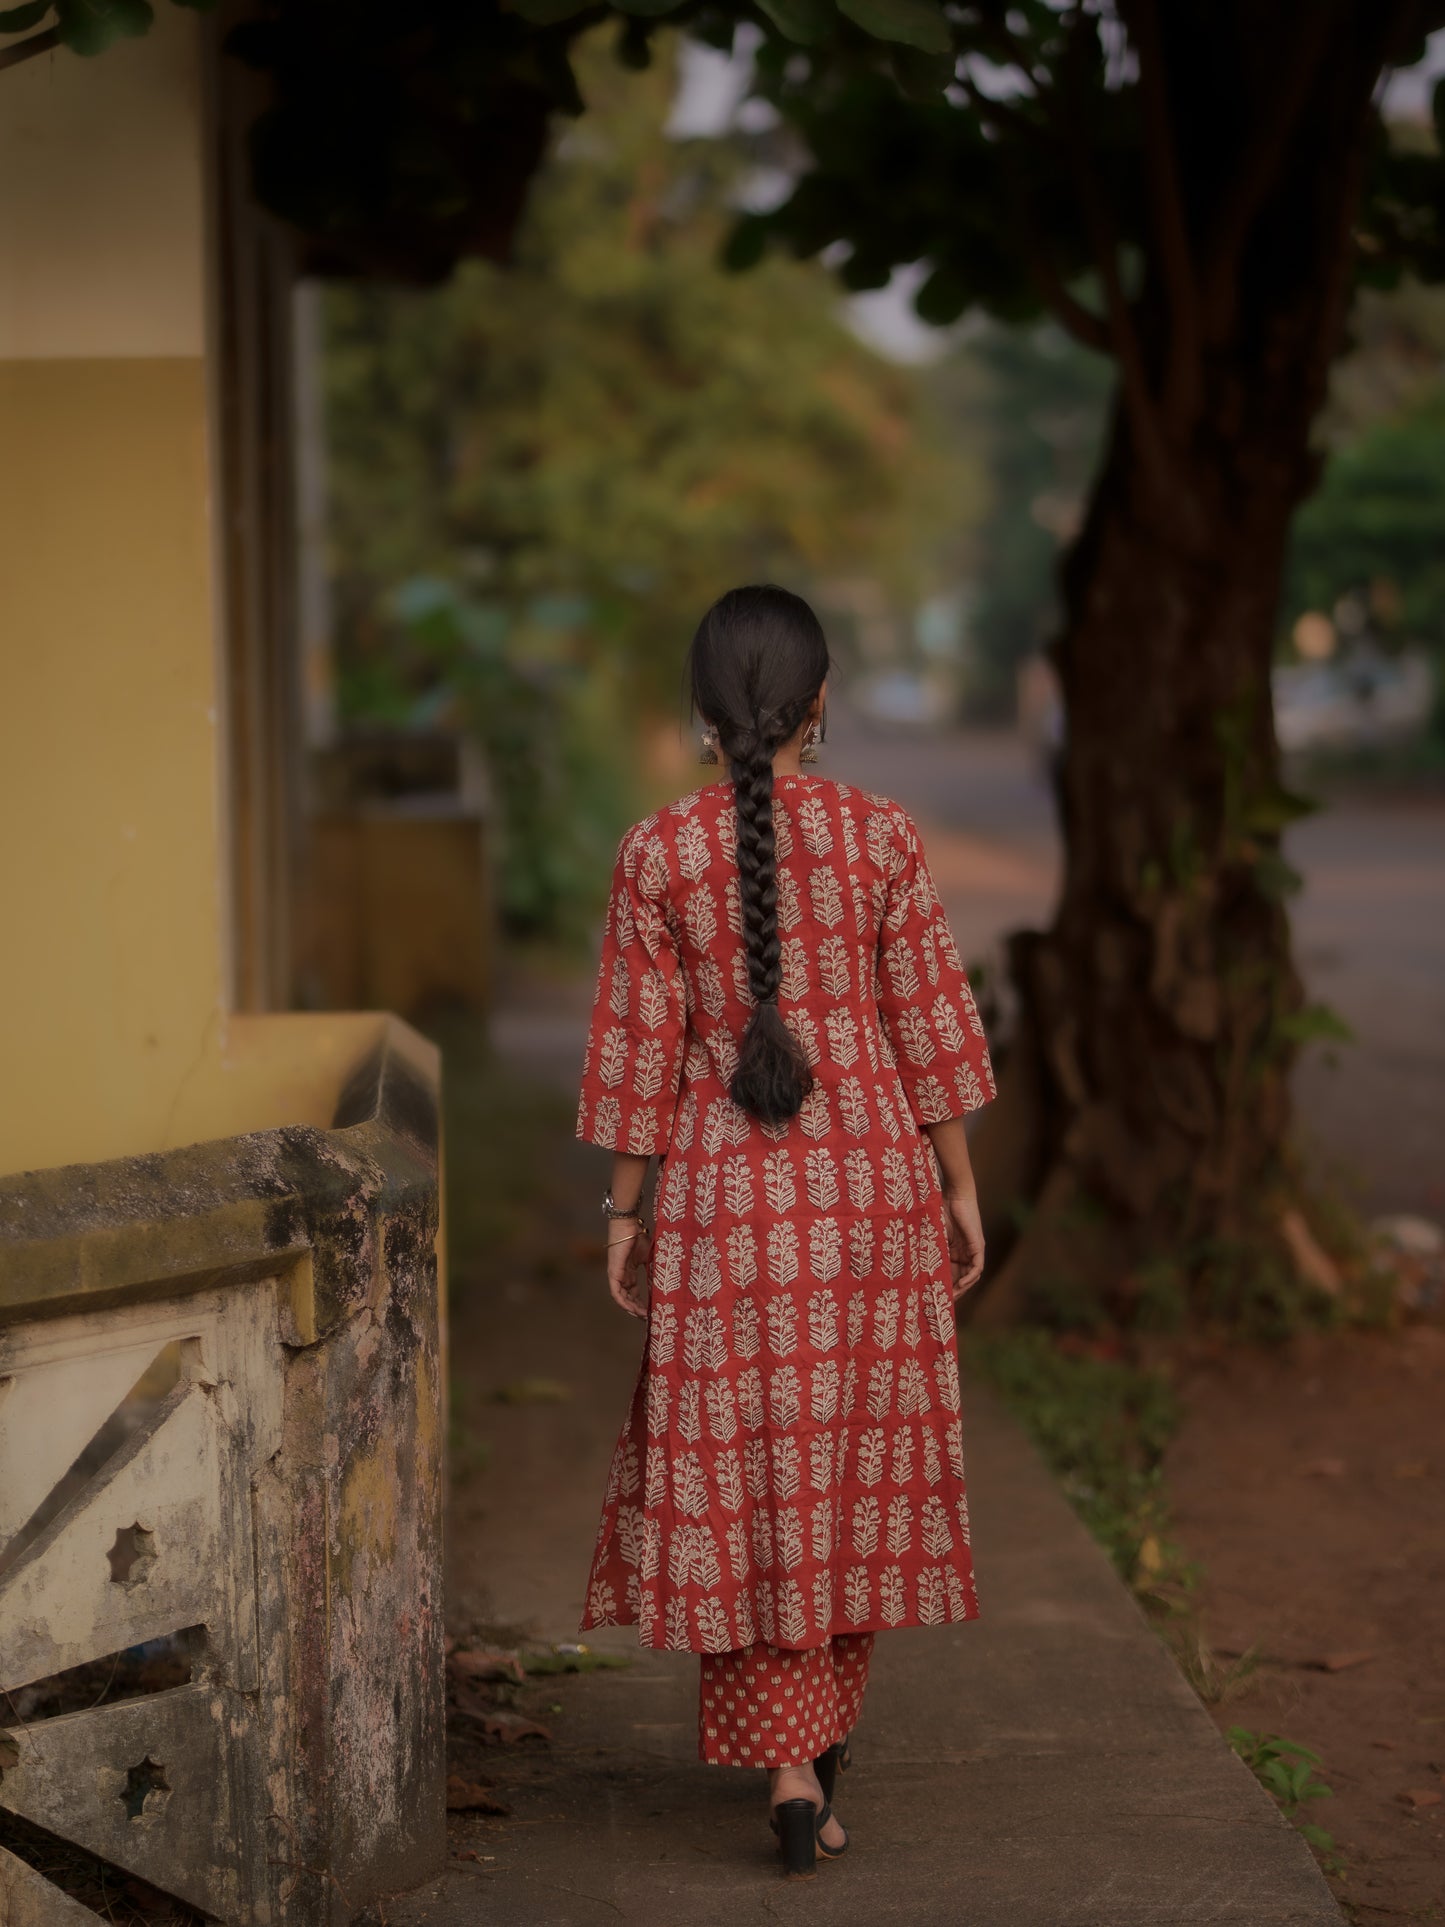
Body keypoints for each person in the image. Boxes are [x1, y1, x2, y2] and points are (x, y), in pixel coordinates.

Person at [574, 584, 995, 1878]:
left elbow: (640, 1054)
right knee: (848, 1469)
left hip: (725, 1208)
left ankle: (789, 1760)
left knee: (749, 1475)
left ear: (704, 714)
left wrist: (625, 1213)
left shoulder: (657, 851)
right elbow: (928, 1024)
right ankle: (812, 1752)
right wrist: (958, 1187)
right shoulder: (882, 834)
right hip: (870, 1192)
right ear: (819, 704)